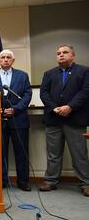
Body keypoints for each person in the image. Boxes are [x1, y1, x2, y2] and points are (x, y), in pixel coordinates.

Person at [39, 45, 89, 196]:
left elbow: (86, 91)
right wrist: (55, 108)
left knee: (79, 153)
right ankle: (51, 181)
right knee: (53, 153)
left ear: (73, 56)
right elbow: (44, 93)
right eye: (58, 53)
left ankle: (86, 183)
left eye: (65, 52)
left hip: (75, 118)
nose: (61, 55)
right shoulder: (49, 74)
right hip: (53, 119)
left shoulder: (84, 71)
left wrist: (70, 107)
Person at [0, 49, 32, 191]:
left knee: (21, 152)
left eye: (8, 57)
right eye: (2, 57)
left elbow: (27, 95)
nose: (5, 60)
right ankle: (2, 180)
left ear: (13, 60)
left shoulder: (22, 75)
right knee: (0, 153)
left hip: (18, 119)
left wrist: (16, 109)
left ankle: (23, 181)